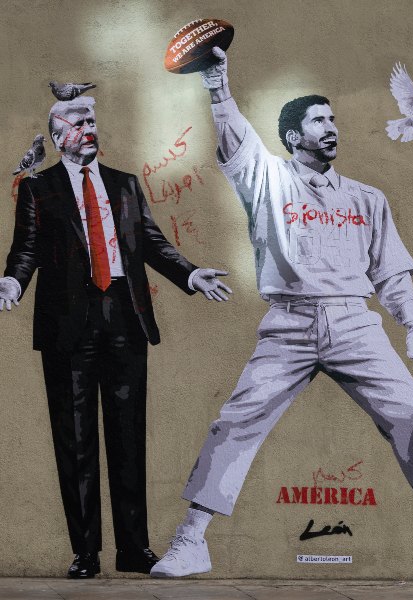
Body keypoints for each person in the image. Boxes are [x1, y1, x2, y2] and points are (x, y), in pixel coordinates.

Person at [149, 47, 413, 578]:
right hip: (288, 323)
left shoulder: (366, 198)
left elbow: (391, 273)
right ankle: (191, 541)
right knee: (234, 422)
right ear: (294, 138)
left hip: (355, 321)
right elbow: (236, 138)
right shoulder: (266, 179)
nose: (331, 127)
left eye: (333, 119)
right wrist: (217, 85)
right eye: (319, 120)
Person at [0, 95, 232, 578]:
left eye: (93, 120)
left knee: (128, 438)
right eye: (79, 121)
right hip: (68, 326)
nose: (89, 127)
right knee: (77, 440)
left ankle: (133, 550)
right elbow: (26, 248)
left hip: (125, 319)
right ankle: (86, 552)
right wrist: (12, 282)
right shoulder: (38, 189)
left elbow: (150, 241)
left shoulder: (124, 184)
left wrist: (190, 275)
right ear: (59, 134)